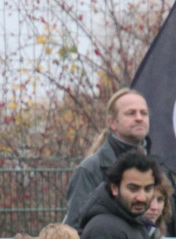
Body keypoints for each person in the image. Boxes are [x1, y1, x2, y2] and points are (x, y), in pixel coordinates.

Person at [64, 89, 151, 229]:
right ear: (112, 123)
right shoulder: (90, 170)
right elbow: (75, 229)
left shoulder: (157, 167)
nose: (139, 118)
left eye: (144, 113)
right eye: (131, 113)